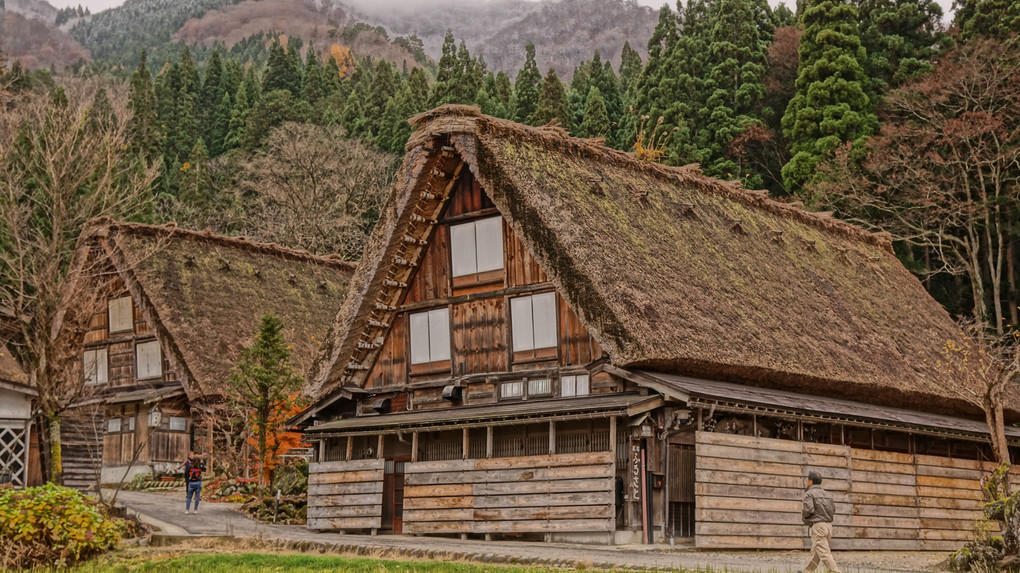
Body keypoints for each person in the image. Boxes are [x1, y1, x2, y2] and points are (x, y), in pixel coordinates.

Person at [801, 470, 840, 573]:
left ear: (810, 482)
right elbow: (833, 509)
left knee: (824, 552)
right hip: (828, 526)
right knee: (816, 552)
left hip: (818, 527)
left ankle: (835, 571)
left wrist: (805, 518)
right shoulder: (827, 494)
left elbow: (808, 510)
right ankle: (807, 571)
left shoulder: (809, 493)